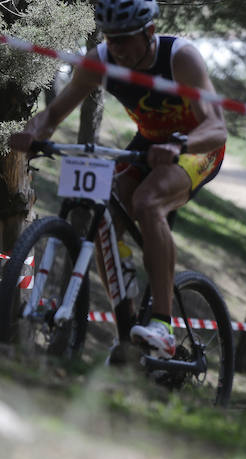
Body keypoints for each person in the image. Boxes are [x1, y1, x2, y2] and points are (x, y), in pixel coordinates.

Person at [9, 0, 227, 360]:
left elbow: (216, 128)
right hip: (151, 143)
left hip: (196, 144)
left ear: (150, 32)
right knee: (105, 216)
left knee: (147, 201)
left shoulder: (180, 58)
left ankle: (163, 324)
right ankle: (129, 331)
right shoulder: (101, 60)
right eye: (112, 39)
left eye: (125, 39)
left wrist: (180, 144)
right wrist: (31, 132)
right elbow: (53, 114)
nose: (119, 49)